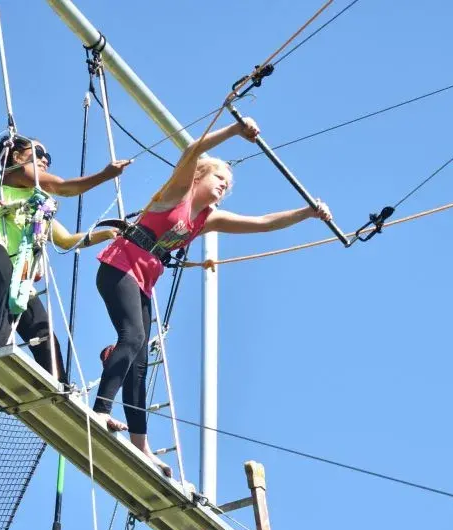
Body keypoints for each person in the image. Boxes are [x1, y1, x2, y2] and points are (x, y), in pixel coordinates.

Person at [91, 117, 332, 474]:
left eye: (228, 184)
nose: (224, 186)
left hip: (142, 278)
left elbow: (263, 223)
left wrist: (307, 213)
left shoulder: (207, 219)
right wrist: (236, 131)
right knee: (133, 337)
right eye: (219, 178)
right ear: (200, 176)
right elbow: (192, 149)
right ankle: (100, 411)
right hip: (120, 265)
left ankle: (140, 443)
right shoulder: (177, 192)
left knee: (141, 359)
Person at [0, 135, 131, 382]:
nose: (45, 159)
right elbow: (64, 187)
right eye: (38, 153)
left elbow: (66, 240)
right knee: (7, 291)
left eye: (48, 158)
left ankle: (60, 385)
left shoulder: (37, 210)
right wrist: (105, 175)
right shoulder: (13, 174)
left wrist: (108, 233)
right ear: (16, 156)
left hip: (17, 271)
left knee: (42, 329)